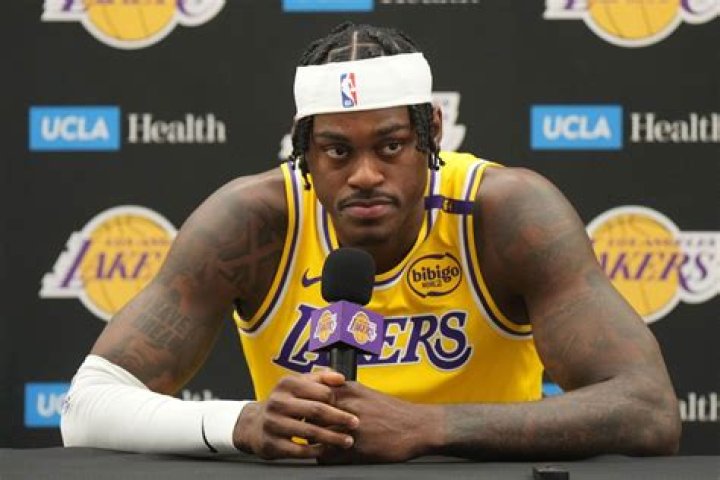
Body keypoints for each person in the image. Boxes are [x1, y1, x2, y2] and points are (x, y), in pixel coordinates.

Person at [60, 22, 681, 462]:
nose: (364, 175)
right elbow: (87, 406)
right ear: (302, 148)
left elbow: (647, 408)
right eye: (336, 150)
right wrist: (241, 422)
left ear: (431, 132)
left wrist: (429, 426)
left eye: (391, 146)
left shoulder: (505, 212)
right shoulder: (254, 220)